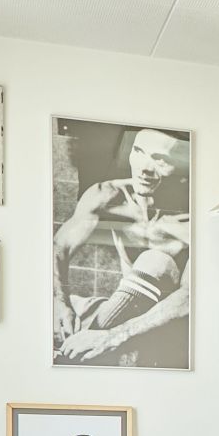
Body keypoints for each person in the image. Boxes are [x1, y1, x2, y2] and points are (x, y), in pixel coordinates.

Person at [52, 126, 190, 367]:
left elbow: (190, 299)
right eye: (139, 151)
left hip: (168, 322)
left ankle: (77, 351)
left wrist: (112, 336)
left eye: (160, 159)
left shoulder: (192, 218)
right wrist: (59, 303)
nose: (144, 168)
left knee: (157, 261)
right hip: (125, 307)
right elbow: (59, 247)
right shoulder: (109, 195)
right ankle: (82, 342)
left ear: (183, 168)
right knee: (53, 309)